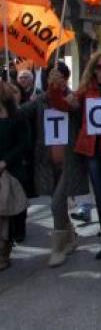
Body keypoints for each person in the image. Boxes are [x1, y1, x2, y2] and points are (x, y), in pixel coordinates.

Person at [51, 52, 101, 267]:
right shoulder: (85, 92)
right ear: (93, 69)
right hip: (91, 150)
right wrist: (55, 87)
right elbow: (65, 105)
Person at [18, 60, 89, 267]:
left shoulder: (74, 98)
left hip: (70, 161)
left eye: (58, 75)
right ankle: (70, 236)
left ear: (66, 78)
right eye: (50, 76)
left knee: (57, 202)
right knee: (57, 204)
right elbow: (19, 113)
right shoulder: (40, 99)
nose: (54, 79)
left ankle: (58, 248)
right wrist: (8, 97)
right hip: (47, 163)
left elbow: (76, 112)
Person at [0, 80, 29, 271]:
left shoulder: (17, 116)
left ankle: (4, 251)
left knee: (7, 214)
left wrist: (6, 162)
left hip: (11, 171)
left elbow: (24, 143)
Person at [10, 69, 39, 244]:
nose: (13, 95)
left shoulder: (25, 111)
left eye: (16, 92)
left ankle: (19, 229)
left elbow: (27, 140)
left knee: (20, 194)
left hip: (22, 159)